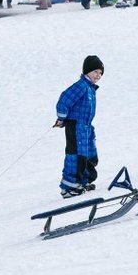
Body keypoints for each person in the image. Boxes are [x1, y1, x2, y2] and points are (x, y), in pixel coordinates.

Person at [55, 55, 103, 197]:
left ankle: (83, 181)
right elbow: (64, 100)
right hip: (76, 126)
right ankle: (69, 187)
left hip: (86, 127)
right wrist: (61, 118)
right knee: (76, 155)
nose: (98, 75)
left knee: (89, 155)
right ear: (87, 71)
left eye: (100, 73)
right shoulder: (81, 86)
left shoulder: (90, 88)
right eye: (95, 71)